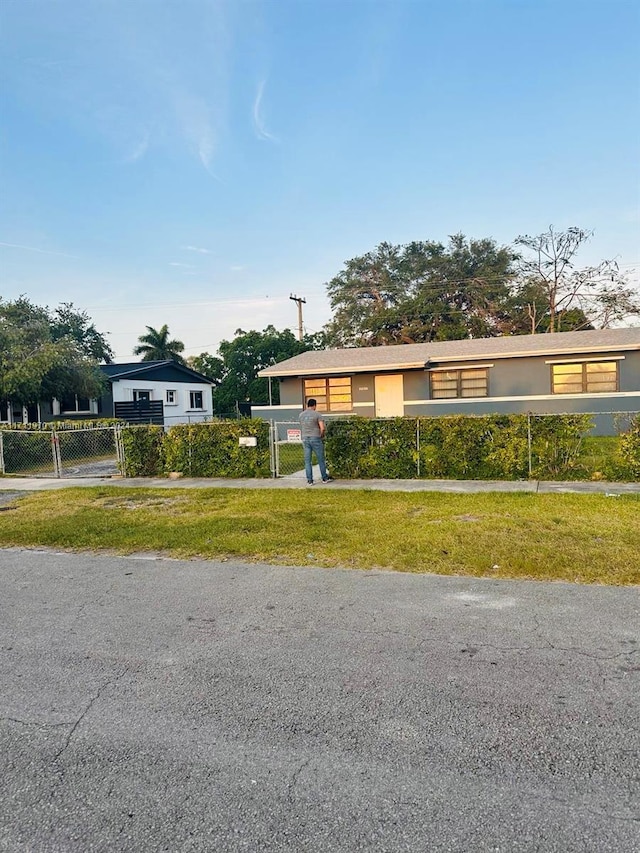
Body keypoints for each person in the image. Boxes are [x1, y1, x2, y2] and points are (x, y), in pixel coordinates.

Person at [299, 398, 334, 484]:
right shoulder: (317, 414)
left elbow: (302, 425)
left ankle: (310, 480)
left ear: (307, 405)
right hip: (315, 437)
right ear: (314, 405)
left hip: (305, 438)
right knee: (320, 459)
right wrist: (321, 436)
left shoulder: (301, 415)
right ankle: (324, 478)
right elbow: (322, 428)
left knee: (307, 461)